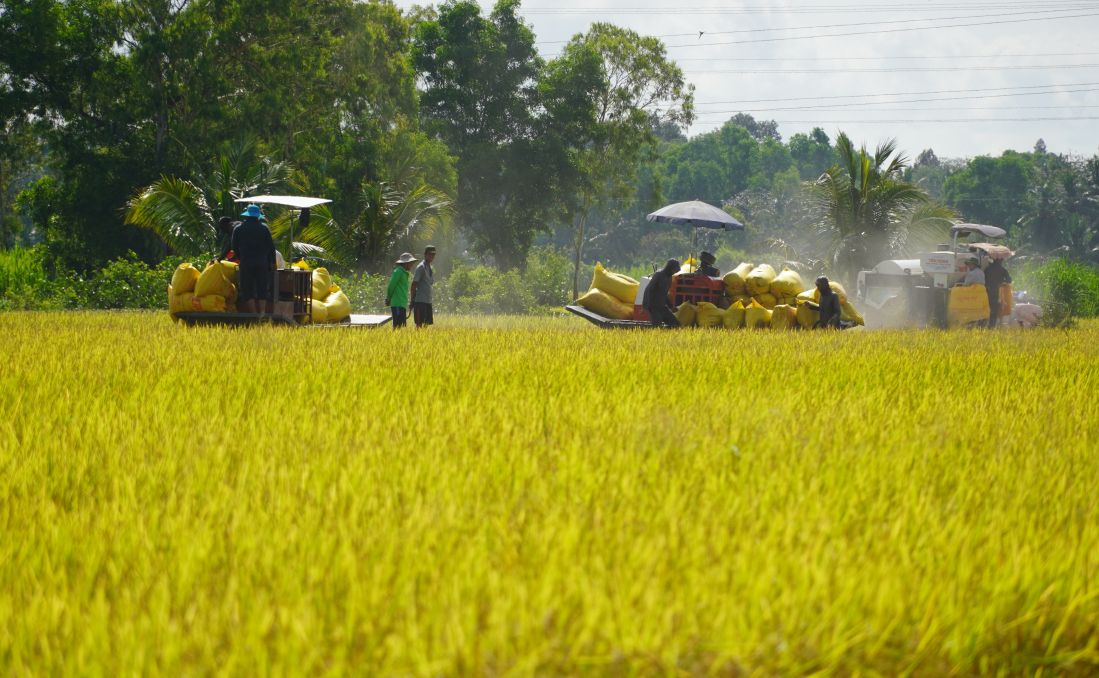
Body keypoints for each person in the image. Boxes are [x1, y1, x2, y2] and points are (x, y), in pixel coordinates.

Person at [231, 204, 276, 315]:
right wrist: (272, 262)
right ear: (258, 216)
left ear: (246, 216)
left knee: (247, 288)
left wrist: (241, 257)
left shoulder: (238, 229)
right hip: (262, 263)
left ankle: (254, 313)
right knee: (262, 288)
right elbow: (271, 247)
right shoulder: (264, 229)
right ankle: (262, 313)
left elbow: (234, 246)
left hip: (246, 262)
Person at [642, 259, 681, 328]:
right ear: (670, 268)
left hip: (661, 305)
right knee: (657, 326)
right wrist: (648, 306)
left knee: (675, 324)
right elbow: (650, 290)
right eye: (674, 270)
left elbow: (665, 294)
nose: (674, 272)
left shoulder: (669, 278)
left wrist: (671, 306)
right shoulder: (659, 275)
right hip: (653, 305)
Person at [386, 252, 417, 329]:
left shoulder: (404, 273)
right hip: (397, 304)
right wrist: (388, 298)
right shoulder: (398, 271)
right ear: (405, 263)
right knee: (397, 327)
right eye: (410, 263)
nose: (412, 265)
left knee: (402, 327)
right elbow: (391, 286)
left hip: (402, 304)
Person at [410, 245, 436, 328]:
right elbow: (414, 284)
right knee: (419, 325)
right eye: (430, 254)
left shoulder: (429, 267)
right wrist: (412, 300)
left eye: (433, 254)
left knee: (426, 325)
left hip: (428, 301)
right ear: (425, 254)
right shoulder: (421, 267)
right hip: (420, 301)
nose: (431, 256)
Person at [984, 257, 1012, 328]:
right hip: (998, 292)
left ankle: (986, 324)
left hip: (987, 291)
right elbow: (1009, 280)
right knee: (995, 309)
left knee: (987, 308)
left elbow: (984, 279)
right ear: (1001, 261)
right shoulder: (1003, 270)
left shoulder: (987, 269)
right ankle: (992, 326)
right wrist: (1003, 282)